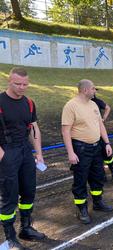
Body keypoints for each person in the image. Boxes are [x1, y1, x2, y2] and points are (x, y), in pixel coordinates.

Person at [0, 67, 45, 249]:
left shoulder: (29, 103)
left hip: (26, 151)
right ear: (9, 81)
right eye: (17, 83)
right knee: (9, 195)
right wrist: (3, 156)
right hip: (6, 151)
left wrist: (39, 153)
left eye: (25, 84)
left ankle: (26, 227)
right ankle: (10, 237)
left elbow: (34, 129)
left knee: (28, 190)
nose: (21, 87)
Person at [61, 79, 113, 225]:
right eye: (93, 89)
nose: (94, 91)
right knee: (80, 179)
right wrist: (71, 153)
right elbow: (65, 131)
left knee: (98, 176)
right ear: (85, 90)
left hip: (96, 147)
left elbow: (100, 124)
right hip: (80, 148)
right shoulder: (71, 106)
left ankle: (97, 202)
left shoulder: (93, 104)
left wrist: (107, 143)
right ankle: (81, 209)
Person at [91, 95, 113, 183]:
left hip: (100, 131)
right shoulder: (81, 103)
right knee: (96, 155)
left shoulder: (97, 101)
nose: (94, 92)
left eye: (94, 90)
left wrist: (103, 119)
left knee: (107, 152)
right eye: (93, 89)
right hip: (89, 133)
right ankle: (102, 174)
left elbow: (107, 108)